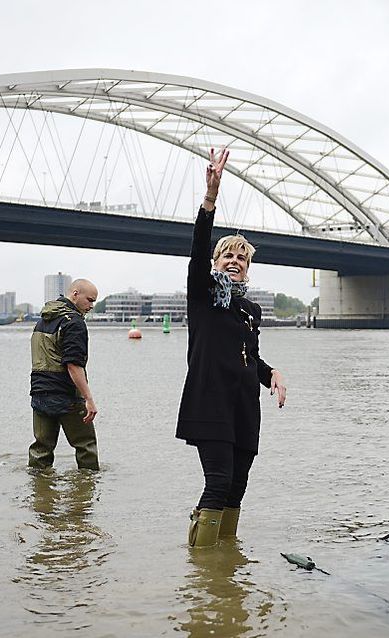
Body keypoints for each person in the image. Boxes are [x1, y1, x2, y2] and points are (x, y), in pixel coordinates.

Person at [176, 148, 287, 548]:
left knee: (237, 487)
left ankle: (224, 571)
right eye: (228, 254)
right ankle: (202, 565)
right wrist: (211, 195)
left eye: (242, 256)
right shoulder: (203, 294)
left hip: (244, 406)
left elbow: (251, 357)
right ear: (215, 260)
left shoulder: (249, 309)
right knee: (218, 481)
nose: (235, 260)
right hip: (210, 402)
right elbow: (198, 245)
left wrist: (270, 373)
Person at [28, 279, 100, 470]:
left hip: (39, 392)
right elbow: (73, 365)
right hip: (66, 395)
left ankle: (40, 493)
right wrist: (88, 399)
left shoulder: (43, 320)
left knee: (41, 450)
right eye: (89, 300)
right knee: (86, 447)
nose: (91, 306)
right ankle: (85, 494)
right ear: (75, 294)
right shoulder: (74, 323)